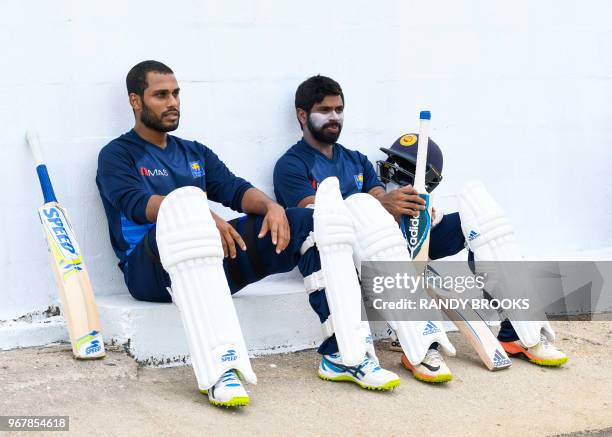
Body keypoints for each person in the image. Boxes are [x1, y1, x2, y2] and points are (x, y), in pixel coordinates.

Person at [96, 62, 399, 407]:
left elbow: (233, 189)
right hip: (149, 270)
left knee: (313, 220)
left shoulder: (194, 152)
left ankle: (346, 354)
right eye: (160, 95)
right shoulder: (117, 155)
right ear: (136, 101)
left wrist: (273, 208)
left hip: (211, 256)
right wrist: (195, 212)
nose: (172, 102)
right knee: (187, 215)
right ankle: (221, 370)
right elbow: (134, 203)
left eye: (176, 93)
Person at [273, 75, 567, 382]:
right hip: (355, 256)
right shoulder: (291, 165)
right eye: (325, 110)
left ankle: (521, 333)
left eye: (339, 109)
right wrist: (380, 207)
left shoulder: (355, 159)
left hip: (396, 241)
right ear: (303, 115)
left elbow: (381, 200)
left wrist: (412, 208)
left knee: (483, 219)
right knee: (370, 222)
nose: (334, 117)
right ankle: (421, 346)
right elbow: (317, 217)